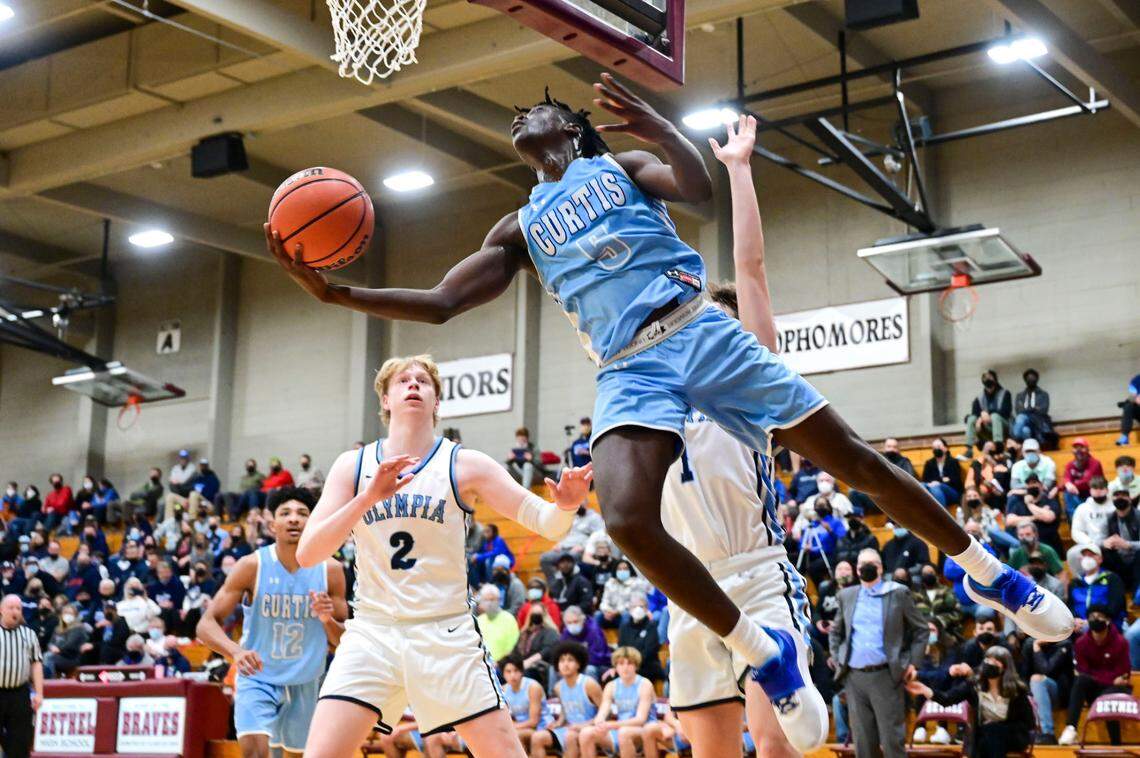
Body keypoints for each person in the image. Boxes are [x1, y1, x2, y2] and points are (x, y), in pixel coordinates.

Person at [268, 79, 1072, 721]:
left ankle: (983, 569)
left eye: (538, 107)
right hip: (629, 366)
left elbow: (697, 190)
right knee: (623, 519)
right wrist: (338, 295)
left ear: (574, 129)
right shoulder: (520, 225)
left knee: (856, 459)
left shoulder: (616, 170)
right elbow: (443, 301)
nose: (522, 114)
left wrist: (661, 128)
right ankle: (762, 651)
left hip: (698, 329)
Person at [292, 355, 592, 758]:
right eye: (402, 381)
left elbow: (548, 524)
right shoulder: (354, 465)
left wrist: (567, 506)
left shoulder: (464, 463)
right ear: (385, 399)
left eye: (423, 381)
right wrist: (367, 498)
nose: (413, 385)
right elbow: (309, 553)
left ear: (437, 402)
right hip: (373, 632)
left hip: (445, 633)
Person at [196, 486, 348, 758]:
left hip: (306, 681)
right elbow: (206, 624)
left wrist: (326, 620)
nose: (293, 519)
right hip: (258, 677)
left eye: (302, 513)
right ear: (272, 524)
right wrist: (236, 652)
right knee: (255, 753)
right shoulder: (251, 565)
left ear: (313, 522)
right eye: (285, 513)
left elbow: (344, 642)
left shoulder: (331, 570)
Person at [829, 548, 929, 758]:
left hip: (886, 675)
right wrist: (840, 660)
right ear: (857, 570)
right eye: (862, 564)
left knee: (892, 741)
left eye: (871, 563)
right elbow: (835, 632)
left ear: (881, 568)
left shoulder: (898, 593)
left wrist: (913, 664)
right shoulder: (846, 595)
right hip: (854, 678)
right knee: (864, 743)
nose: (866, 567)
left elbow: (922, 629)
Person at [906, 646, 1033, 758]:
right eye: (987, 660)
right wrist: (924, 690)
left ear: (1005, 668)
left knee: (992, 732)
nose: (989, 663)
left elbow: (1029, 723)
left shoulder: (1017, 690)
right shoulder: (974, 685)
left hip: (1013, 736)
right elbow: (947, 699)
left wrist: (999, 727)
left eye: (995, 661)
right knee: (986, 737)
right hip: (985, 736)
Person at [1059, 604, 1132, 746]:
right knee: (1081, 681)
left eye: (1099, 617)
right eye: (1092, 617)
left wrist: (1105, 677)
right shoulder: (1081, 643)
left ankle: (1116, 744)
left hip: (1115, 690)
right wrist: (1110, 678)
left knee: (1108, 697)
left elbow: (1123, 671)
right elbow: (1084, 670)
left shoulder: (1121, 642)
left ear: (1108, 620)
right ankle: (1071, 728)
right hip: (1097, 687)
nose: (1095, 619)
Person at [577, 647, 656, 758]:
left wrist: (612, 725)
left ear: (636, 666)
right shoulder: (611, 686)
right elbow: (603, 712)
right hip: (620, 728)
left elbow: (640, 720)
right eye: (621, 663)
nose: (625, 667)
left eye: (629, 663)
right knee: (586, 733)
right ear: (616, 667)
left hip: (644, 729)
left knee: (624, 733)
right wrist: (600, 723)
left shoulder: (645, 684)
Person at [530, 642, 601, 758]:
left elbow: (605, 714)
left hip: (588, 728)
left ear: (579, 664)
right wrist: (558, 723)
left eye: (570, 660)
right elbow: (566, 710)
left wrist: (584, 725)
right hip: (569, 728)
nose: (565, 664)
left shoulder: (589, 684)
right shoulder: (558, 687)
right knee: (538, 737)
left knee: (570, 736)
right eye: (562, 660)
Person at [0, 594, 43, 758]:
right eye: (11, 608)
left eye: (18, 608)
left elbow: (36, 663)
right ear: (1, 610)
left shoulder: (29, 634)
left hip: (19, 693)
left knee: (20, 742)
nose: (15, 611)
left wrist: (39, 693)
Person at [1019, 635, 1072, 744]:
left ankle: (1048, 733)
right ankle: (1029, 733)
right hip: (1036, 693)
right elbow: (1023, 676)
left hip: (1060, 693)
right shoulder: (1029, 644)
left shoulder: (1064, 643)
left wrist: (1037, 648)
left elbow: (1046, 670)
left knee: (1037, 679)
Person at [500, 654, 552, 754]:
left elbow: (534, 722)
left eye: (516, 670)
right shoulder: (503, 689)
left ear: (522, 672)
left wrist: (511, 727)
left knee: (515, 735)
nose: (512, 675)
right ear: (503, 674)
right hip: (521, 727)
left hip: (542, 727)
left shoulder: (533, 687)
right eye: (508, 671)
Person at [539, 504, 604, 583]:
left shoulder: (593, 517)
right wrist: (559, 544)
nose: (578, 504)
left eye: (581, 502)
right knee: (545, 558)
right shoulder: (568, 516)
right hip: (563, 548)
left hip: (580, 550)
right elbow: (564, 533)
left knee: (570, 558)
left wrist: (584, 546)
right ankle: (556, 586)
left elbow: (599, 536)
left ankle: (574, 586)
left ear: (586, 502)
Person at [1066, 545, 1126, 629]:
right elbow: (1070, 606)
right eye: (1084, 555)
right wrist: (1074, 620)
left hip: (1106, 624)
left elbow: (1115, 606)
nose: (1087, 558)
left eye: (1091, 555)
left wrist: (1092, 621)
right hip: (1078, 625)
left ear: (1100, 559)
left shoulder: (1112, 578)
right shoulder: (1075, 582)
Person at [1067, 476, 1114, 574]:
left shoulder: (1114, 506)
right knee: (1072, 554)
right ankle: (1080, 581)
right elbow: (1076, 531)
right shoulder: (1082, 508)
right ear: (1090, 490)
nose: (1098, 492)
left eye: (1101, 489)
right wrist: (1090, 543)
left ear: (1107, 489)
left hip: (1111, 543)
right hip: (1089, 543)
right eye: (1095, 489)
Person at [616, 594, 664, 684]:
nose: (638, 609)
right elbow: (621, 648)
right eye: (634, 606)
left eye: (641, 606)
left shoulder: (652, 625)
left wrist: (633, 664)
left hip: (647, 666)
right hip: (627, 665)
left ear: (647, 609)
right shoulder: (624, 626)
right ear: (630, 609)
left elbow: (650, 651)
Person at [913, 564, 964, 646]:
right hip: (922, 632)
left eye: (931, 573)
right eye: (925, 574)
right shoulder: (916, 595)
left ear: (937, 574)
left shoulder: (947, 592)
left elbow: (958, 613)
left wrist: (939, 620)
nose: (928, 575)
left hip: (946, 630)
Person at [963, 370, 1012, 455]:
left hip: (1003, 429)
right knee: (971, 418)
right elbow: (974, 413)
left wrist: (988, 414)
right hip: (988, 430)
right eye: (985, 378)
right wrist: (980, 418)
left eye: (990, 377)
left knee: (995, 416)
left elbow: (1006, 412)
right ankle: (969, 449)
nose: (987, 380)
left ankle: (999, 446)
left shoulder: (1005, 393)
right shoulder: (979, 398)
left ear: (995, 380)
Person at [513, 602, 560, 688]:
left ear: (544, 615)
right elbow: (515, 651)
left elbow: (547, 650)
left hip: (539, 667)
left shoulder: (550, 632)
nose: (536, 615)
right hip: (522, 665)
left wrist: (529, 661)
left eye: (539, 613)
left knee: (524, 673)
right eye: (534, 613)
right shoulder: (525, 633)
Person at [1104, 486, 1140, 592]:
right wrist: (1105, 542)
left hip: (1136, 558)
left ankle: (1136, 592)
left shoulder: (1138, 516)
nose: (1120, 498)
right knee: (1104, 553)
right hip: (1119, 558)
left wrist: (1128, 544)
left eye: (1124, 495)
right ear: (1111, 499)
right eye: (1116, 495)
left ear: (1130, 498)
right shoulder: (1109, 517)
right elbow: (1100, 539)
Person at [561, 605, 611, 679]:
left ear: (582, 619)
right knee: (555, 668)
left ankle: (591, 690)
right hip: (576, 663)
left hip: (599, 664)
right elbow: (561, 652)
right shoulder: (566, 632)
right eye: (569, 623)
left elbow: (597, 656)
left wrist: (576, 664)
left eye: (575, 621)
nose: (572, 625)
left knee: (589, 669)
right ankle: (555, 690)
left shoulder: (593, 630)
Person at [597, 559, 649, 629]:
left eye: (625, 569)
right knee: (597, 615)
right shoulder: (610, 583)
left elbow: (634, 603)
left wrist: (617, 611)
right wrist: (607, 610)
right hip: (610, 613)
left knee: (626, 615)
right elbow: (604, 601)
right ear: (615, 571)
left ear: (630, 570)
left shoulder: (637, 583)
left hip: (626, 612)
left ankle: (624, 638)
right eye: (619, 569)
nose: (622, 571)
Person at [477, 583, 521, 662]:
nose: (489, 603)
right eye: (486, 600)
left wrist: (499, 664)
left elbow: (512, 648)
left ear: (499, 600)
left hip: (503, 666)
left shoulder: (509, 619)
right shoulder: (478, 621)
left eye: (492, 599)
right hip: (483, 666)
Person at [1063, 437, 1105, 518]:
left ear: (1087, 450)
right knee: (1068, 493)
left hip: (1093, 493)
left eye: (1082, 447)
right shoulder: (1070, 464)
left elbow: (1087, 481)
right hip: (1078, 494)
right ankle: (1075, 519)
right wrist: (1067, 483)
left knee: (1069, 490)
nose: (1079, 451)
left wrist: (1070, 485)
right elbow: (1066, 478)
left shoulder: (1095, 463)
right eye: (1075, 448)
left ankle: (1078, 518)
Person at [1012, 369, 1053, 444]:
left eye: (1033, 378)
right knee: (1025, 429)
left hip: (1038, 422)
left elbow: (1043, 411)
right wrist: (1033, 408)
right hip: (1025, 422)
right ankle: (1027, 449)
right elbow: (1018, 411)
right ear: (1025, 380)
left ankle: (1014, 439)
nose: (1030, 380)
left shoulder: (1043, 394)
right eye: (1028, 378)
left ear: (1037, 379)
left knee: (1021, 418)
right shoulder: (1020, 396)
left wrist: (1026, 409)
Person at [921, 438, 963, 508]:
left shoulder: (953, 462)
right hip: (932, 490)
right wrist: (943, 479)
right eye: (934, 447)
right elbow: (925, 480)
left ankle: (941, 516)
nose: (936, 449)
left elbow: (955, 480)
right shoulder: (929, 463)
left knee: (936, 487)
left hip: (952, 492)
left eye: (939, 446)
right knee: (921, 485)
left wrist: (937, 482)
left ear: (946, 448)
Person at [1115, 372, 1140, 446]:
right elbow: (1132, 397)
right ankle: (1124, 437)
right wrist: (1136, 399)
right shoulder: (1136, 380)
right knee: (1128, 406)